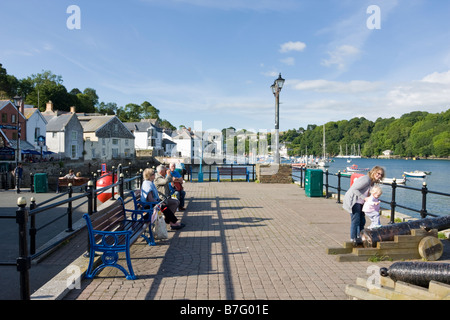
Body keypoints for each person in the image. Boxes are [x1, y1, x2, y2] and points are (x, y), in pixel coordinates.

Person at [343, 165, 385, 245]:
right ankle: (353, 239)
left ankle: (360, 238)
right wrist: (364, 198)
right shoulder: (366, 179)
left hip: (361, 202)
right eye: (378, 173)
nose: (379, 176)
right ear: (373, 172)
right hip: (354, 201)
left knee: (362, 221)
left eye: (381, 175)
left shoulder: (372, 183)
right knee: (355, 220)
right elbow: (354, 189)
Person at [153, 165, 185, 230]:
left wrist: (169, 175)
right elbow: (165, 182)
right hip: (161, 199)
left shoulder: (163, 176)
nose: (166, 171)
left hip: (165, 198)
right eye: (165, 170)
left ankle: (168, 220)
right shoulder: (157, 178)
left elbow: (170, 179)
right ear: (161, 171)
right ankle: (172, 222)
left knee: (176, 202)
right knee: (168, 206)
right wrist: (168, 175)